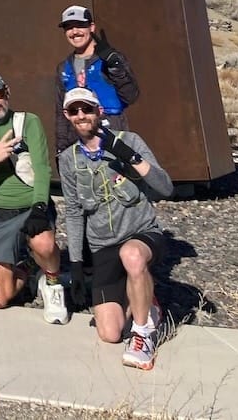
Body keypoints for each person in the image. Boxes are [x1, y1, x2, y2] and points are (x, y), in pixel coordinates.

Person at [59, 87, 173, 370]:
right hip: (103, 245)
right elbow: (74, 212)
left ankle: (143, 333)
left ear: (99, 111)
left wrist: (128, 156)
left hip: (141, 234)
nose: (81, 115)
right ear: (67, 116)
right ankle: (146, 298)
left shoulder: (129, 140)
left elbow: (165, 187)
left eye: (87, 108)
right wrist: (75, 263)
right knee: (109, 334)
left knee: (132, 256)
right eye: (74, 111)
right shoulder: (68, 159)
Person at [0, 70, 67, 324]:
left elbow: (42, 168)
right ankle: (31, 267)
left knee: (44, 243)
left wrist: (40, 206)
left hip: (31, 206)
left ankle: (52, 283)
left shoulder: (27, 122)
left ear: (7, 92)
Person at [54, 5, 139, 154]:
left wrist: (115, 67)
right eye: (68, 27)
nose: (74, 32)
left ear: (91, 27)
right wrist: (62, 148)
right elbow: (61, 113)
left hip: (113, 139)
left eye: (80, 25)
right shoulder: (63, 68)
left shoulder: (111, 59)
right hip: (79, 144)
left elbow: (130, 96)